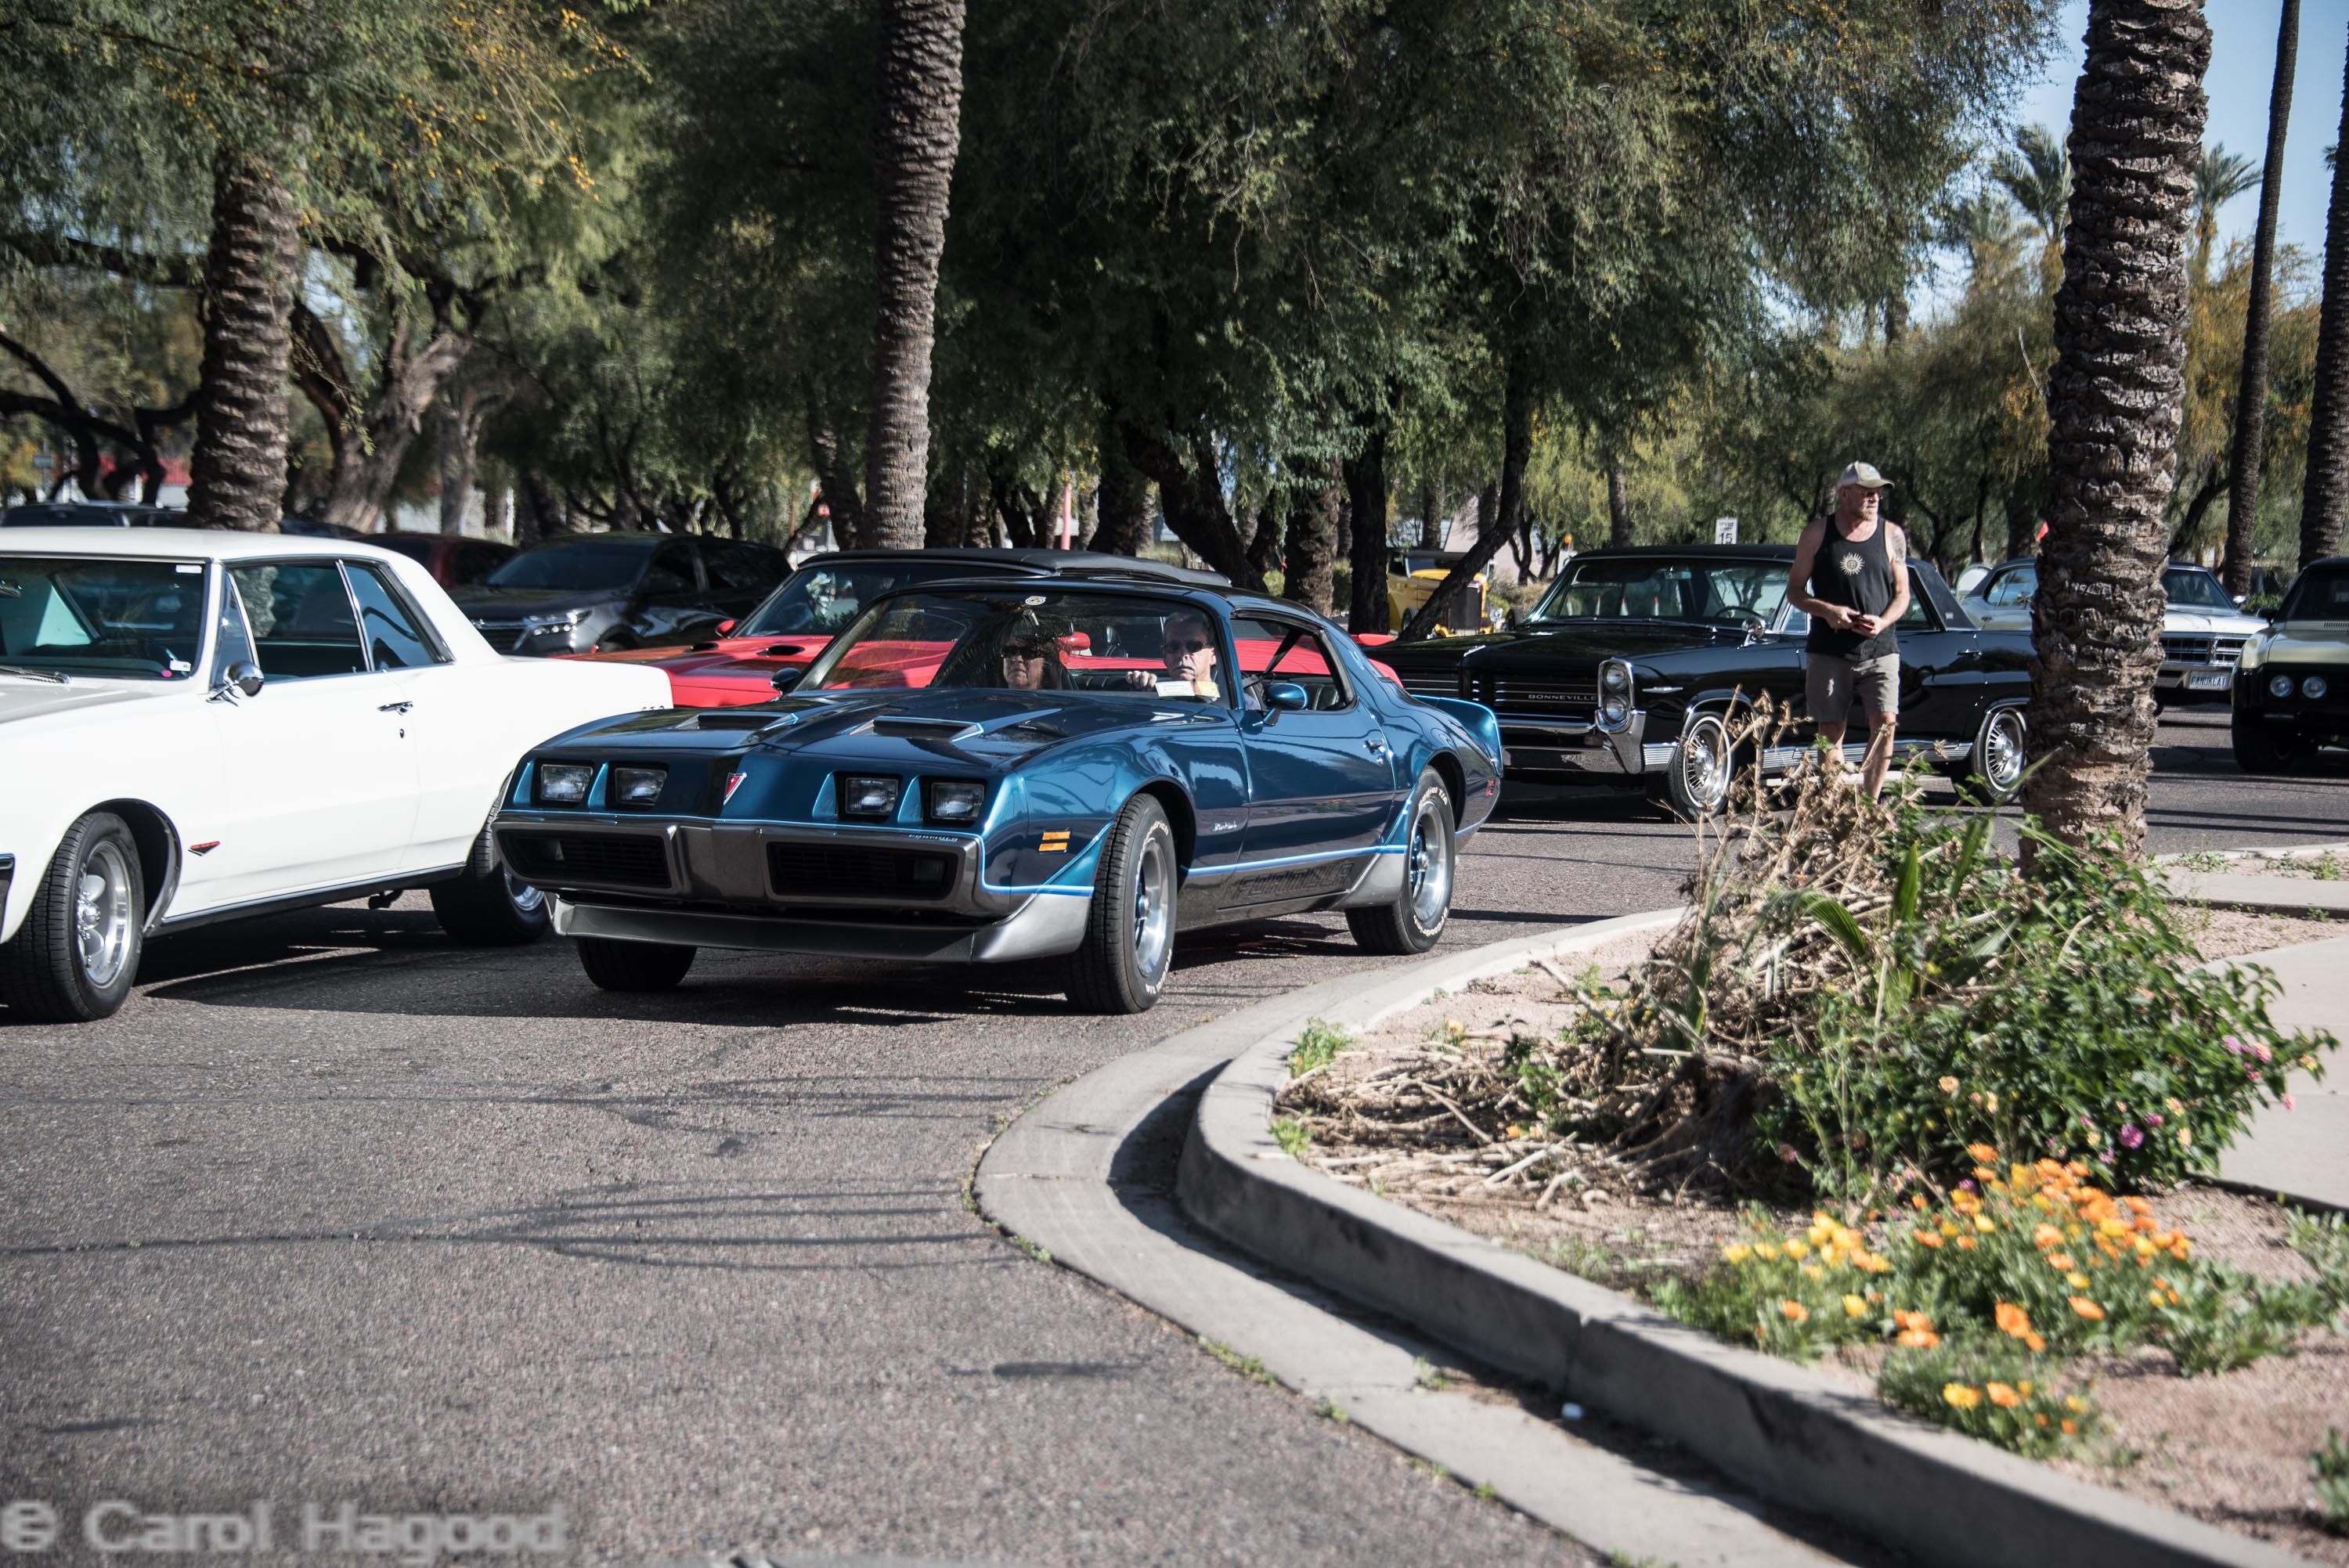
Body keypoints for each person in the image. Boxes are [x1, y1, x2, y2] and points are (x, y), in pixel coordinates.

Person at [1788, 461, 1908, 798]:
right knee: (1830, 731)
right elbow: (1794, 591)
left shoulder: (1892, 534)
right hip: (1829, 650)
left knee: (1885, 725)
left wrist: (1882, 622)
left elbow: (1903, 594)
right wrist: (1828, 611)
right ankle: (1836, 807)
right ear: (1844, 494)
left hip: (1880, 648)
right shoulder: (1816, 534)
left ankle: (1869, 807)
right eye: (1866, 492)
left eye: (1878, 493)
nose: (1874, 498)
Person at [1123, 610, 1219, 701]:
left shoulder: (1225, 701)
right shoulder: (1155, 694)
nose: (1182, 654)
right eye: (1173, 647)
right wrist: (1140, 685)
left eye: (1194, 646)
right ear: (1164, 655)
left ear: (1213, 655)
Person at [998, 632, 1067, 690]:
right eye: (1010, 652)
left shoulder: (1057, 702)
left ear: (1045, 666)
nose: (1018, 659)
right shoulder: (992, 700)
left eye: (1028, 652)